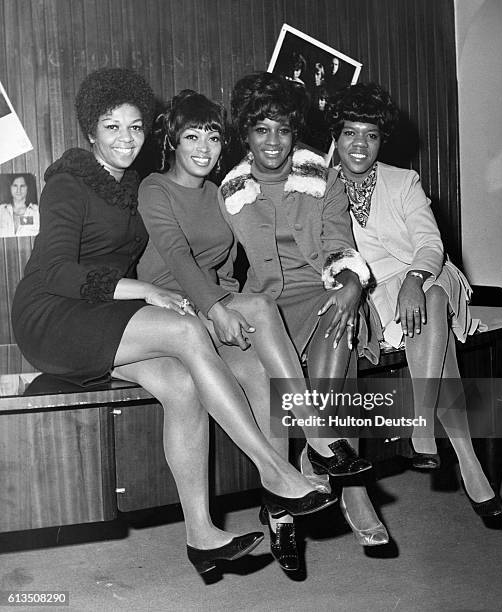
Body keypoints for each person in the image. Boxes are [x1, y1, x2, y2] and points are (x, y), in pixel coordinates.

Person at [10, 67, 336, 577]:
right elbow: (53, 271)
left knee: (182, 383)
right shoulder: (68, 184)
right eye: (112, 126)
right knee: (185, 331)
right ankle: (275, 470)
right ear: (90, 131)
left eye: (135, 126)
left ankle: (201, 535)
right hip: (52, 317)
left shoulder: (135, 187)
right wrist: (145, 290)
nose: (126, 138)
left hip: (105, 316)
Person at [137, 89, 372, 572]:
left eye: (212, 137)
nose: (203, 148)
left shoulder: (219, 191)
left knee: (264, 382)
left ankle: (279, 505)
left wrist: (225, 304)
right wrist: (221, 307)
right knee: (263, 308)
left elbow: (227, 263)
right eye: (191, 137)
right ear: (172, 142)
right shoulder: (155, 187)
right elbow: (179, 259)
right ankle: (320, 436)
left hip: (216, 303)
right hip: (175, 302)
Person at [219, 71, 390, 551]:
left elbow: (340, 243)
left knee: (340, 320)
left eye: (283, 129)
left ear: (296, 132)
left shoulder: (327, 180)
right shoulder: (227, 194)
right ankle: (289, 495)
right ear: (246, 134)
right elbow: (220, 268)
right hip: (266, 305)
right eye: (261, 129)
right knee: (271, 377)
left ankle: (328, 468)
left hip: (322, 290)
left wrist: (354, 284)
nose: (273, 141)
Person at [328, 82, 502, 518]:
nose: (360, 144)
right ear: (336, 136)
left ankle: (422, 423)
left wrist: (415, 279)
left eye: (370, 134)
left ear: (381, 139)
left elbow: (430, 243)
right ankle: (467, 463)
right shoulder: (319, 187)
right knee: (438, 348)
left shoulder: (403, 181)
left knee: (433, 292)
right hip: (376, 293)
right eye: (350, 132)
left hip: (427, 271)